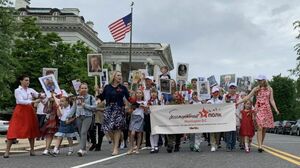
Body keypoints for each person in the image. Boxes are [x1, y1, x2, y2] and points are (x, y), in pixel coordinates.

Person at [237, 75, 280, 153]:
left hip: (267, 109)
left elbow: (272, 100)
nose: (259, 81)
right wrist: (238, 103)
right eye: (258, 80)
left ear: (264, 80)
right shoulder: (256, 89)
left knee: (264, 128)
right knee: (260, 127)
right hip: (259, 109)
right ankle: (259, 146)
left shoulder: (270, 89)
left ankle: (261, 144)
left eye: (260, 80)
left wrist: (276, 109)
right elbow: (247, 97)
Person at [4, 75, 41, 158]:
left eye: (28, 80)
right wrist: (33, 101)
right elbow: (20, 101)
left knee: (31, 129)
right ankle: (7, 151)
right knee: (13, 129)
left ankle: (32, 150)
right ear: (21, 81)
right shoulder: (17, 90)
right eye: (26, 80)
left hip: (29, 111)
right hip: (20, 111)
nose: (28, 82)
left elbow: (38, 95)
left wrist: (43, 95)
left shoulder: (31, 90)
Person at [98, 71, 130, 156]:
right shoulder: (107, 87)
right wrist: (97, 95)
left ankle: (116, 148)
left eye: (121, 75)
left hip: (119, 109)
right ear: (114, 77)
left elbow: (129, 98)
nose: (120, 77)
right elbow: (102, 97)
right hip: (109, 109)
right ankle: (114, 142)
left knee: (117, 128)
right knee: (107, 128)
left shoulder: (123, 88)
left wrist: (137, 103)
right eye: (118, 75)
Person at [69, 83, 96, 157]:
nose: (84, 89)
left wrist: (85, 105)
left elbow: (94, 107)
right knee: (81, 133)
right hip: (79, 117)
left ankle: (81, 149)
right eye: (82, 88)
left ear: (88, 89)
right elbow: (74, 108)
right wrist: (68, 116)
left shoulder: (91, 97)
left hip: (87, 117)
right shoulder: (77, 98)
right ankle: (84, 150)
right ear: (79, 89)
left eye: (85, 88)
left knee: (84, 132)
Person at [223, 83, 242, 152]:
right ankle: (228, 145)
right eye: (231, 88)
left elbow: (240, 106)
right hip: (228, 115)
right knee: (228, 131)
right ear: (229, 89)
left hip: (235, 115)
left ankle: (233, 144)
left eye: (234, 88)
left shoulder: (238, 97)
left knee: (234, 131)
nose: (232, 89)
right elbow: (222, 106)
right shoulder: (225, 96)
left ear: (236, 89)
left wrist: (240, 116)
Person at [127, 89, 146, 154]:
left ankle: (137, 148)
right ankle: (131, 148)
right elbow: (129, 111)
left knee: (139, 134)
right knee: (132, 133)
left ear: (142, 94)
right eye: (137, 93)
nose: (138, 94)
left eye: (140, 93)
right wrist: (130, 109)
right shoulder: (133, 102)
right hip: (133, 117)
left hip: (140, 118)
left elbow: (146, 111)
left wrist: (144, 107)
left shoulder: (144, 102)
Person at [207, 87, 223, 152]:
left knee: (218, 133)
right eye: (214, 93)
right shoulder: (209, 101)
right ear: (212, 93)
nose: (215, 94)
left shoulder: (220, 102)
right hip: (211, 120)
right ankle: (213, 145)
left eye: (216, 92)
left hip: (218, 120)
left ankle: (216, 143)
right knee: (211, 133)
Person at [147, 88, 162, 153]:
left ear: (157, 94)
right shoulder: (148, 101)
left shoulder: (159, 101)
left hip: (157, 118)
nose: (153, 94)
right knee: (151, 132)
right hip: (151, 118)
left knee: (156, 132)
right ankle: (152, 146)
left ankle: (156, 145)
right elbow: (147, 111)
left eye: (154, 92)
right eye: (152, 92)